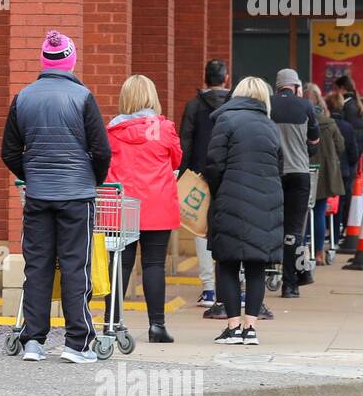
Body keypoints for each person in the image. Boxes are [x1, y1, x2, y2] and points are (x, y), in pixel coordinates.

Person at [1, 30, 111, 363]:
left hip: (38, 196)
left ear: (44, 60)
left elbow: (8, 151)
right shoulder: (83, 97)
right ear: (71, 60)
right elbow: (102, 150)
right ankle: (77, 343)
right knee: (76, 266)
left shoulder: (23, 97)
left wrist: (30, 174)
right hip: (77, 196)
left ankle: (33, 340)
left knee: (38, 266)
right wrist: (93, 178)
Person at [203, 77, 284, 347]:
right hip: (266, 203)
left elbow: (214, 163)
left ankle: (232, 326)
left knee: (226, 263)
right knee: (256, 266)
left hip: (231, 199)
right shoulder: (270, 126)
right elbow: (279, 165)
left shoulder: (226, 121)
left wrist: (219, 190)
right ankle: (251, 328)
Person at [105, 75, 182, 343]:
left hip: (122, 205)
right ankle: (157, 326)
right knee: (154, 265)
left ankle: (111, 325)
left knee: (119, 265)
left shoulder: (112, 132)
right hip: (158, 203)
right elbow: (177, 158)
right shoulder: (165, 128)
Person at [179, 58, 230, 311]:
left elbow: (185, 143)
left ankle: (209, 289)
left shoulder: (193, 105)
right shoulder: (235, 104)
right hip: (230, 175)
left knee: (201, 230)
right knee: (231, 229)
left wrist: (183, 176)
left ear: (204, 79)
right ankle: (233, 286)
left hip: (200, 175)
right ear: (226, 79)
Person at [270, 68, 319, 297]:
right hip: (299, 174)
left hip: (273, 173)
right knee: (293, 230)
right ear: (296, 86)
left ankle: (267, 273)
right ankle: (291, 284)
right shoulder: (306, 105)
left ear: (278, 85)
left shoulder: (268, 105)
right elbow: (314, 141)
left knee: (270, 225)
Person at [304, 84, 345, 264]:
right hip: (325, 174)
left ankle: (303, 251)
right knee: (320, 212)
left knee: (302, 214)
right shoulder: (330, 123)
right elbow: (341, 147)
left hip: (304, 171)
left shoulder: (301, 121)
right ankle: (319, 252)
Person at [326, 89, 361, 242]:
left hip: (326, 171)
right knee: (339, 205)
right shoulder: (347, 127)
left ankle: (324, 232)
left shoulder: (323, 124)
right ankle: (335, 233)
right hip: (343, 170)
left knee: (322, 204)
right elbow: (354, 152)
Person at [334, 74, 363, 160]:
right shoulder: (356, 103)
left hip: (350, 147)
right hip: (359, 145)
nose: (335, 92)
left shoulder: (345, 105)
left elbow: (342, 128)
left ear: (342, 88)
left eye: (336, 89)